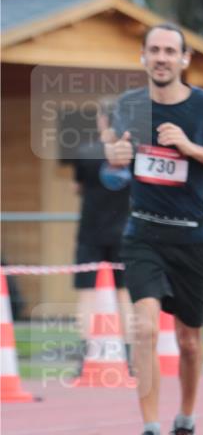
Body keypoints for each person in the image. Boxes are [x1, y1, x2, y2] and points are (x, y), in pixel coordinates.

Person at [104, 23, 203, 435]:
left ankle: (185, 423)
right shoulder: (129, 105)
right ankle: (150, 431)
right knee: (143, 327)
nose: (161, 58)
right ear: (143, 57)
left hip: (192, 239)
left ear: (184, 59)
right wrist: (114, 158)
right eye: (154, 50)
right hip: (142, 235)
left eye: (169, 51)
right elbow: (115, 159)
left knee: (189, 342)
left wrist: (189, 147)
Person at [70, 103, 132, 366]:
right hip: (126, 234)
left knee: (86, 294)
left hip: (91, 233)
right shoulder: (135, 154)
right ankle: (130, 358)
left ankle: (85, 358)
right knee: (125, 294)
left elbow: (77, 187)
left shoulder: (86, 153)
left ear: (102, 120)